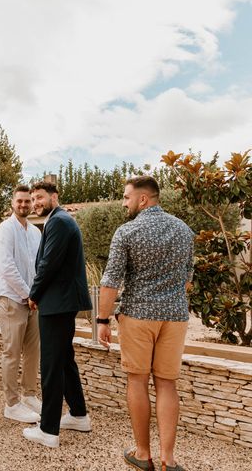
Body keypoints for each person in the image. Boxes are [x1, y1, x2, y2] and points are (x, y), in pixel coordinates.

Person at [98, 176, 194, 471]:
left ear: (143, 199)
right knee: (167, 384)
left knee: (137, 380)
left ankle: (142, 454)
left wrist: (102, 320)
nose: (124, 203)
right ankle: (168, 459)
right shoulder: (184, 231)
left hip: (138, 315)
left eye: (127, 197)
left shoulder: (126, 232)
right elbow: (188, 280)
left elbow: (111, 282)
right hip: (175, 317)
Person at [23, 181, 92, 448]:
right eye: (33, 198)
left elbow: (47, 263)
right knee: (64, 360)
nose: (35, 202)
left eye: (39, 197)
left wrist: (34, 294)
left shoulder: (59, 222)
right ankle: (78, 414)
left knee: (51, 365)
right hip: (62, 302)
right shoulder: (59, 220)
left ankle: (48, 430)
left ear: (55, 197)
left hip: (57, 302)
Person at [0, 184, 42, 423]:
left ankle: (30, 396)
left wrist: (36, 295)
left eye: (27, 201)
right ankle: (11, 404)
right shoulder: (5, 229)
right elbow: (6, 267)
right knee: (12, 352)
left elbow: (38, 266)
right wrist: (27, 294)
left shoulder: (35, 232)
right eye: (19, 201)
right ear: (12, 203)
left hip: (32, 300)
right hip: (11, 299)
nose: (23, 205)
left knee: (33, 351)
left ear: (32, 203)